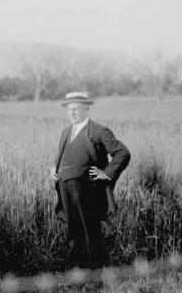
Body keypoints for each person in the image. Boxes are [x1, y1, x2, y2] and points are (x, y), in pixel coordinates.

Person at [50, 92, 131, 270]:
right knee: (73, 230)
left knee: (90, 230)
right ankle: (78, 269)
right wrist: (55, 168)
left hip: (87, 189)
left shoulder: (99, 131)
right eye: (69, 110)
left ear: (86, 109)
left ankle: (98, 271)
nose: (72, 113)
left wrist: (107, 173)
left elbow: (122, 153)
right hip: (65, 188)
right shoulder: (66, 132)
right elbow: (63, 156)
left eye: (76, 109)